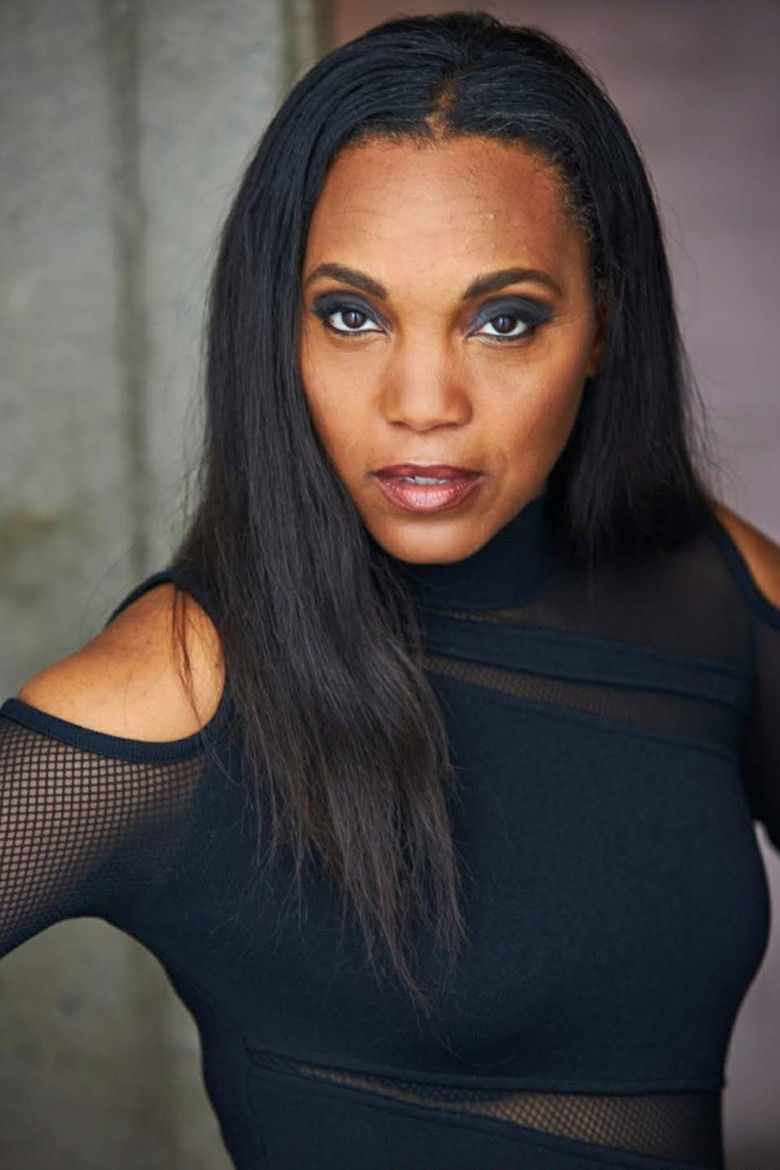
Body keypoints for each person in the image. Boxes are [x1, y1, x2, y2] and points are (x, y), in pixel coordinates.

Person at [1, 10, 778, 1169]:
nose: (423, 402)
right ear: (280, 329)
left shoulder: (713, 586)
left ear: (603, 324)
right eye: (351, 315)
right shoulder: (182, 682)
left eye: (504, 320)